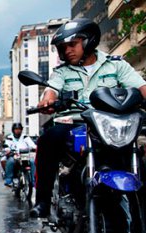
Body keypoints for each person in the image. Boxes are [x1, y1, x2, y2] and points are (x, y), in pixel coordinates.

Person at [30, 18, 146, 218]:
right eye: (63, 47)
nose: (67, 51)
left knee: (139, 162)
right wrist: (47, 101)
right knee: (48, 140)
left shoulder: (116, 65)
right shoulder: (62, 72)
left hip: (111, 127)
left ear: (89, 41)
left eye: (72, 45)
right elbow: (51, 91)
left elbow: (141, 88)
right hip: (75, 126)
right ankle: (43, 201)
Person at [3, 122, 36, 187]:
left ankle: (33, 180)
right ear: (13, 130)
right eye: (16, 129)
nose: (18, 130)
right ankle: (8, 179)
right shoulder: (9, 137)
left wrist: (35, 148)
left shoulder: (25, 137)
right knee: (11, 161)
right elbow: (6, 146)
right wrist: (8, 150)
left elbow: (32, 145)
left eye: (19, 129)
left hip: (25, 155)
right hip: (14, 155)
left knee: (32, 161)